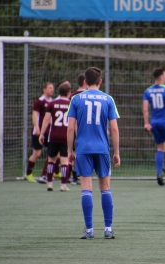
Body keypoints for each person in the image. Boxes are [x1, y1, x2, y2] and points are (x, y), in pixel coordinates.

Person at [67, 67, 120, 240]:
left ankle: (89, 230)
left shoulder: (76, 99)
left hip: (83, 149)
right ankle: (108, 229)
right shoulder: (108, 99)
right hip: (102, 149)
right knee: (105, 188)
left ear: (85, 81)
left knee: (86, 190)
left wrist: (70, 150)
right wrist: (116, 152)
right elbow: (113, 128)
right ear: (100, 81)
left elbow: (70, 128)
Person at [39, 81, 71, 192]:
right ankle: (63, 185)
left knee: (51, 160)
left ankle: (49, 183)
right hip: (66, 136)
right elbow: (74, 122)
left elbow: (46, 119)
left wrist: (42, 133)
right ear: (68, 92)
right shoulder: (71, 104)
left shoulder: (52, 104)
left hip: (53, 136)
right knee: (65, 162)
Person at [24, 82, 56, 183]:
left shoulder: (53, 102)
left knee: (55, 153)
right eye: (50, 88)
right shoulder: (39, 101)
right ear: (44, 89)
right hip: (38, 132)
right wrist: (37, 127)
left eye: (53, 88)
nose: (52, 89)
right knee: (37, 153)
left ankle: (45, 174)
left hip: (49, 132)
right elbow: (34, 115)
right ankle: (28, 174)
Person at [68, 73, 88, 185]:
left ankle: (74, 176)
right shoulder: (90, 95)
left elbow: (71, 116)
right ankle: (81, 175)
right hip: (86, 128)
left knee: (75, 152)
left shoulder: (72, 96)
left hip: (74, 126)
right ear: (85, 82)